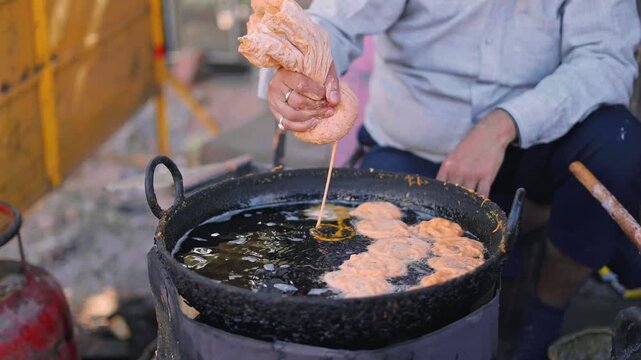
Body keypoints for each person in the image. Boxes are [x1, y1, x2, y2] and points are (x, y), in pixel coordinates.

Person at [261, 1, 641, 358]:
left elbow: (605, 59)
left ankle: (543, 320)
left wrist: (506, 122)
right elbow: (336, 21)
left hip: (542, 141)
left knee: (619, 144)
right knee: (375, 237)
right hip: (416, 145)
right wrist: (300, 70)